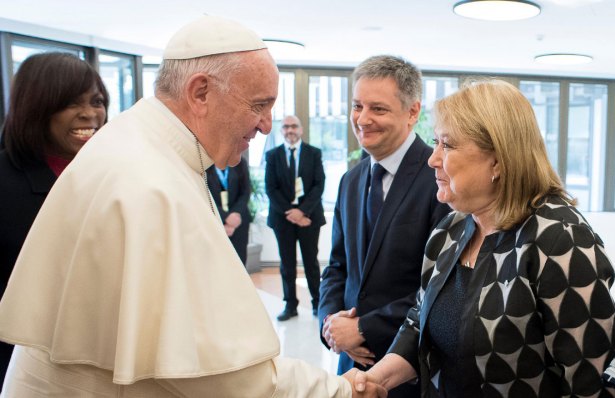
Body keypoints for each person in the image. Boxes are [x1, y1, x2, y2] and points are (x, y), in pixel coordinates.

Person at [0, 16, 386, 398]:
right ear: (200, 92)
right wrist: (339, 390)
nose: (267, 126)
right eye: (259, 105)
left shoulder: (140, 144)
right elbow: (220, 376)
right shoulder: (151, 182)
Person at [345, 79, 615, 398]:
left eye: (446, 145)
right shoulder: (450, 230)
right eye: (435, 143)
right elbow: (418, 324)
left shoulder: (559, 239)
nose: (432, 159)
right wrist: (375, 379)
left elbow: (592, 383)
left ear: (498, 160)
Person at [318, 55, 450, 398]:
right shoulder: (351, 180)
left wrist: (363, 329)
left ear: (412, 112)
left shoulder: (441, 180)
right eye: (357, 106)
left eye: (377, 108)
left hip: (409, 364)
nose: (362, 119)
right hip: (350, 363)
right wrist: (332, 327)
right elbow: (337, 268)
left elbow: (441, 286)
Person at [0, 52, 108, 387]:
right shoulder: (5, 180)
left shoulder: (108, 174)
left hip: (94, 361)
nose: (90, 114)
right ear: (38, 107)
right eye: (71, 103)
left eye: (97, 101)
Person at [265, 115, 325, 321]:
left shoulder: (314, 153)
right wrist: (291, 214)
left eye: (293, 126)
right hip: (283, 219)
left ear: (301, 129)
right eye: (285, 127)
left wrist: (303, 212)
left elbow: (319, 185)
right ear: (281, 131)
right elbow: (271, 188)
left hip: (309, 218)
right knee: (287, 263)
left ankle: (318, 303)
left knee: (311, 262)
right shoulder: (272, 155)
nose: (290, 130)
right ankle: (290, 305)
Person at [206, 157, 251, 265]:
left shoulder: (240, 163)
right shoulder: (205, 164)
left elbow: (246, 192)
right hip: (214, 220)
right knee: (218, 263)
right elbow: (204, 195)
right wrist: (225, 217)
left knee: (239, 262)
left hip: (238, 221)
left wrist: (234, 216)